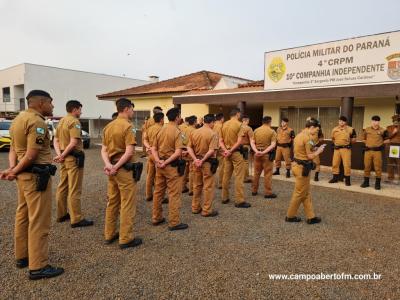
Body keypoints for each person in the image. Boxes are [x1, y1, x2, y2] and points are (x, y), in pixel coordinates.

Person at [0, 90, 64, 280]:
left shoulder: (18, 120)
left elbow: (13, 149)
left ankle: (22, 257)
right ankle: (38, 266)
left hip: (23, 176)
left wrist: (13, 169)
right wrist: (14, 170)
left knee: (23, 215)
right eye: (51, 103)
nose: (52, 106)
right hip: (36, 177)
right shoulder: (37, 122)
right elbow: (31, 154)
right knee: (39, 220)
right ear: (41, 103)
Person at [101, 98, 142, 249]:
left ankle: (109, 234)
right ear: (126, 109)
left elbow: (104, 149)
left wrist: (108, 165)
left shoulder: (108, 127)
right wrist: (116, 166)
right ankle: (126, 238)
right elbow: (129, 151)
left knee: (112, 202)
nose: (133, 111)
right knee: (127, 203)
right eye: (132, 108)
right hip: (123, 169)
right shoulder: (128, 127)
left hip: (113, 169)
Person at [53, 100, 93, 228]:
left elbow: (56, 140)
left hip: (64, 158)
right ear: (75, 109)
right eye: (80, 109)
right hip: (72, 159)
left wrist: (60, 155)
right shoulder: (74, 122)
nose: (81, 112)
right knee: (75, 189)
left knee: (63, 186)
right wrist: (63, 155)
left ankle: (61, 214)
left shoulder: (61, 121)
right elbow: (74, 142)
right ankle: (76, 219)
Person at [151, 108, 188, 231]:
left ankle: (156, 217)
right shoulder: (178, 132)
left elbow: (153, 148)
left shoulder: (160, 130)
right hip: (171, 166)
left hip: (160, 165)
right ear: (177, 117)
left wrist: (158, 161)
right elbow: (178, 152)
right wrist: (166, 162)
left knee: (158, 192)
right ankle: (174, 222)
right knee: (174, 194)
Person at [286, 118, 326, 224]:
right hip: (302, 168)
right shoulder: (307, 138)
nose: (317, 132)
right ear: (311, 127)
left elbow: (308, 149)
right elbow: (309, 156)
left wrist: (315, 149)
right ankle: (290, 216)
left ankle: (311, 217)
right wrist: (319, 151)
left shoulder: (299, 135)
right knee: (299, 193)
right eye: (316, 130)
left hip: (296, 165)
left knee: (306, 192)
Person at [187, 114, 219, 217]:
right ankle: (206, 210)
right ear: (212, 122)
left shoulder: (194, 132)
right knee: (208, 186)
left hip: (196, 162)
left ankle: (195, 207)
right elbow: (211, 150)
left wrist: (195, 159)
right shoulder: (213, 134)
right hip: (207, 163)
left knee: (197, 185)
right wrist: (203, 160)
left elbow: (189, 147)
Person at [220, 108, 250, 208]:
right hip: (235, 153)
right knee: (239, 176)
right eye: (239, 114)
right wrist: (231, 151)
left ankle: (224, 198)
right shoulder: (239, 125)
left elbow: (220, 141)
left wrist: (226, 150)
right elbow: (239, 142)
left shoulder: (224, 124)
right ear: (237, 114)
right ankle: (239, 200)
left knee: (226, 175)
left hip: (226, 153)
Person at [250, 116, 277, 198]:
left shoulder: (256, 130)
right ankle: (268, 192)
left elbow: (252, 142)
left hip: (257, 154)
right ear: (270, 122)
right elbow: (273, 145)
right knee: (268, 174)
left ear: (262, 122)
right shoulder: (272, 132)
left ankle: (254, 190)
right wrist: (264, 152)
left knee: (256, 173)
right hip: (267, 155)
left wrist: (256, 151)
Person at [360, 115, 390, 190]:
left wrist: (381, 144)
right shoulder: (367, 129)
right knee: (367, 166)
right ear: (371, 121)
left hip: (377, 151)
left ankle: (377, 184)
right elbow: (362, 139)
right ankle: (366, 182)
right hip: (368, 151)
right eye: (373, 121)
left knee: (378, 167)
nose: (374, 122)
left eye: (376, 121)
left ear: (379, 122)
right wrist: (368, 143)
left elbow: (388, 140)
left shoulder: (383, 130)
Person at [329, 116, 357, 186]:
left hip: (346, 149)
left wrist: (349, 142)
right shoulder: (334, 129)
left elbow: (354, 139)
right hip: (337, 149)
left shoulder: (351, 129)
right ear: (338, 121)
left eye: (343, 121)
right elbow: (332, 138)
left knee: (347, 164)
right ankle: (335, 178)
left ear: (345, 122)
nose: (341, 122)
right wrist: (336, 143)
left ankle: (347, 179)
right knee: (335, 163)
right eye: (340, 121)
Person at [143, 112, 164, 201]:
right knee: (159, 177)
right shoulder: (162, 129)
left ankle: (148, 195)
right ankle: (160, 198)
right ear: (161, 119)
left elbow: (144, 140)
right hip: (158, 155)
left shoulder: (149, 129)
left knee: (150, 175)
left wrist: (149, 147)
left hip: (150, 154)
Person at [181, 115, 197, 194]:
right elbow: (195, 145)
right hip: (190, 153)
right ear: (194, 122)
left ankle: (182, 187)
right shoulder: (194, 131)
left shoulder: (184, 130)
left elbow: (182, 141)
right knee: (192, 171)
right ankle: (192, 189)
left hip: (183, 152)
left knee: (184, 171)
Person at [386, 115, 400, 182]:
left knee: (398, 163)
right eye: (394, 120)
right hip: (390, 146)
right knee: (390, 163)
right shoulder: (389, 128)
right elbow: (387, 137)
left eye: (397, 120)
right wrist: (393, 132)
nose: (396, 121)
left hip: (398, 146)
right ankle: (390, 177)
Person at [213, 113, 225, 189]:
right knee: (222, 166)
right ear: (222, 119)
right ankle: (221, 183)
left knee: (212, 165)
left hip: (212, 147)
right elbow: (221, 138)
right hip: (220, 147)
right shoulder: (222, 126)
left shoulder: (212, 125)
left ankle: (212, 182)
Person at [241, 115, 254, 183]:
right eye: (248, 121)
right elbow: (252, 139)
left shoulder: (238, 127)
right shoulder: (248, 128)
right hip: (246, 147)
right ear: (246, 120)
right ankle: (245, 178)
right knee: (245, 162)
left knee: (239, 162)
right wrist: (253, 148)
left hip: (237, 147)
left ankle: (240, 176)